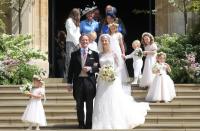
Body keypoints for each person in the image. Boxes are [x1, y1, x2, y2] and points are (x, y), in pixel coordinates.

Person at [92, 34, 150, 129]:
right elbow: (97, 66)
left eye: (105, 40)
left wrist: (113, 73)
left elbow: (120, 66)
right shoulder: (99, 54)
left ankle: (114, 119)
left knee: (113, 98)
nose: (104, 42)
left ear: (109, 41)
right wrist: (101, 71)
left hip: (113, 79)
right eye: (102, 41)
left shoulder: (114, 53)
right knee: (102, 98)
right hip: (102, 80)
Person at [67, 34, 100, 129]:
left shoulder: (94, 54)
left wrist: (90, 69)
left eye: (86, 40)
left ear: (89, 41)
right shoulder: (74, 54)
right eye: (83, 40)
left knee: (90, 104)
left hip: (90, 82)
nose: (84, 42)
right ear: (80, 41)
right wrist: (69, 83)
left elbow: (97, 68)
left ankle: (89, 124)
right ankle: (81, 123)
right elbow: (70, 70)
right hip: (78, 82)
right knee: (79, 104)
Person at [108, 22, 130, 95]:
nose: (113, 29)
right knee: (112, 65)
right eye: (112, 28)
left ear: (116, 28)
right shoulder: (108, 35)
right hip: (111, 52)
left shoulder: (119, 35)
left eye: (114, 28)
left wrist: (123, 53)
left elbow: (121, 44)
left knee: (119, 66)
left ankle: (119, 81)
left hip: (117, 51)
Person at [65, 8, 81, 80]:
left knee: (77, 59)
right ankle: (68, 76)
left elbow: (78, 33)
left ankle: (75, 75)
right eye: (78, 14)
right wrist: (77, 43)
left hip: (77, 43)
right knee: (69, 59)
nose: (79, 16)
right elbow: (70, 33)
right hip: (71, 43)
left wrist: (79, 42)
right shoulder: (69, 21)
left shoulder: (76, 22)